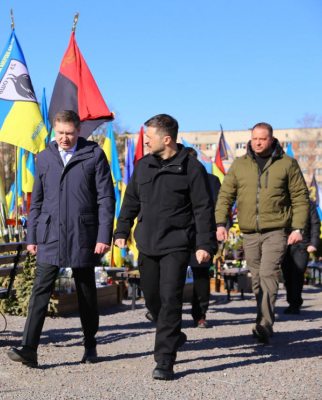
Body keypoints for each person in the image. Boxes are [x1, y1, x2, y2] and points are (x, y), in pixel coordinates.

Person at [7, 110, 115, 368]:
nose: (64, 138)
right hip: (50, 235)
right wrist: (31, 235)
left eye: (69, 133)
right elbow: (37, 201)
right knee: (39, 291)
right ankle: (29, 348)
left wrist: (103, 235)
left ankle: (90, 344)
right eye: (59, 133)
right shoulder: (43, 157)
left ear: (79, 130)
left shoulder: (94, 155)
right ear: (53, 131)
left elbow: (105, 198)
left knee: (86, 292)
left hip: (83, 234)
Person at [114, 114, 217, 380]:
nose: (145, 141)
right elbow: (130, 202)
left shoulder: (192, 168)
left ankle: (164, 360)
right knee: (153, 301)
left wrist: (205, 243)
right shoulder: (143, 165)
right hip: (147, 244)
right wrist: (122, 230)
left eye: (149, 137)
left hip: (177, 244)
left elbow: (204, 209)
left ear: (166, 139)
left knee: (171, 299)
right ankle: (174, 333)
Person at [215, 122, 309, 344]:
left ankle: (264, 323)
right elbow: (225, 196)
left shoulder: (287, 164)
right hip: (249, 232)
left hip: (277, 230)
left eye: (262, 139)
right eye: (254, 138)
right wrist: (221, 223)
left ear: (272, 139)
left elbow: (300, 197)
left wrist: (297, 228)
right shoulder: (239, 165)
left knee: (267, 273)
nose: (257, 142)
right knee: (256, 278)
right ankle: (264, 320)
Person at [185, 147, 222, 329]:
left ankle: (200, 315)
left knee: (201, 276)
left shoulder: (212, 181)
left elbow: (216, 208)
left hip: (202, 235)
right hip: (177, 235)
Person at [281, 199, 320, 315]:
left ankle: (295, 304)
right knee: (287, 276)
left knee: (297, 275)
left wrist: (313, 243)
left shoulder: (309, 203)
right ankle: (291, 302)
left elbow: (315, 224)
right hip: (285, 245)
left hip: (302, 245)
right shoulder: (283, 200)